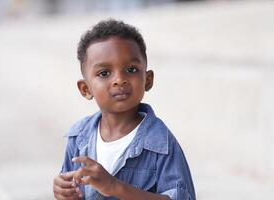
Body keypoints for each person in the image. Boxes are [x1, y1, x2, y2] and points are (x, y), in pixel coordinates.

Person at [53, 19, 196, 200]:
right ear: (85, 89)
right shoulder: (78, 137)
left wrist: (116, 187)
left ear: (148, 79)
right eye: (104, 73)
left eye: (131, 69)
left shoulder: (161, 143)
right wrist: (64, 191)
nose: (119, 79)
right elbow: (72, 188)